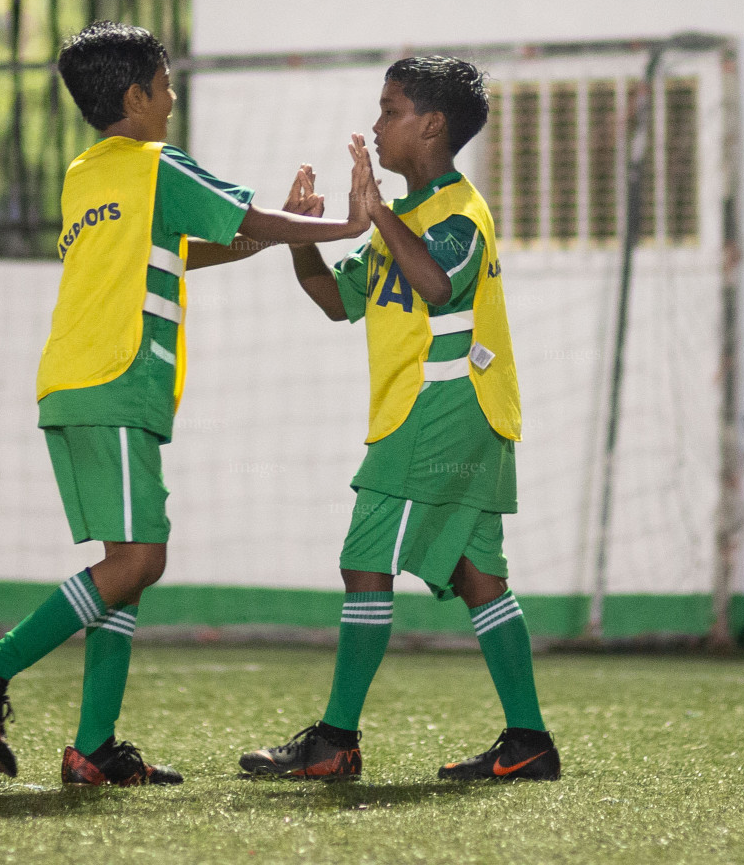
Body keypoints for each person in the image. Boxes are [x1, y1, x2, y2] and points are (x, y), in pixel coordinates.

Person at [0, 21, 377, 787]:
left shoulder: (88, 173)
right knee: (141, 560)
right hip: (115, 381)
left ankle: (93, 751)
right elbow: (243, 220)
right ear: (138, 95)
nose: (173, 99)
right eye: (167, 85)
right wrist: (344, 223)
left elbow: (193, 244)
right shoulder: (156, 163)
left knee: (123, 566)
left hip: (76, 385)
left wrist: (275, 230)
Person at [240, 56, 560, 782]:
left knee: (364, 561)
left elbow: (440, 285)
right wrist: (304, 235)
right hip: (443, 413)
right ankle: (529, 741)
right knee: (477, 573)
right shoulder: (407, 221)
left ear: (432, 125)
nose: (377, 126)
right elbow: (332, 299)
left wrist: (376, 210)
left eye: (390, 111)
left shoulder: (456, 212)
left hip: (442, 407)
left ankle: (335, 740)